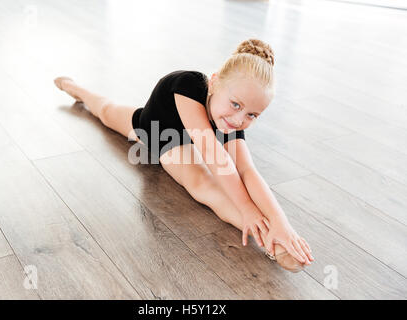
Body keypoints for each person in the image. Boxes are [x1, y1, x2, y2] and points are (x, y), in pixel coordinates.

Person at [54, 38, 314, 272]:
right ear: (213, 83)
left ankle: (275, 239)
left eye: (252, 115)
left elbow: (247, 171)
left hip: (186, 143)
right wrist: (247, 208)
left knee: (209, 184)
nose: (239, 119)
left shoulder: (231, 122)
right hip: (155, 131)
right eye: (235, 105)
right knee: (107, 111)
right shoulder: (188, 85)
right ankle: (76, 88)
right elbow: (216, 158)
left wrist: (283, 223)